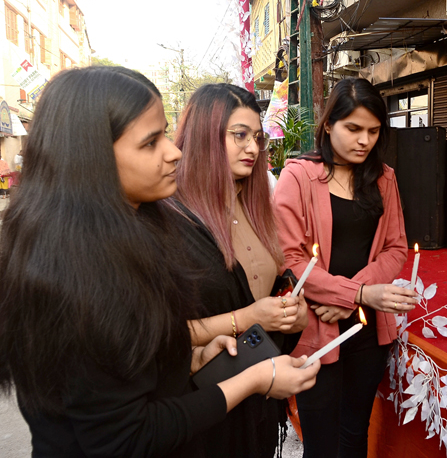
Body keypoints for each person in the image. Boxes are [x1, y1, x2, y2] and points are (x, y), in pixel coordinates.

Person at [0, 66, 319, 458]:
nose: (174, 151)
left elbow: (128, 360)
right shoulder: (78, 270)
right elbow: (126, 437)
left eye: (166, 133)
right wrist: (254, 379)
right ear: (90, 155)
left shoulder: (129, 238)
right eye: (151, 142)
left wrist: (183, 358)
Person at [274, 77, 418, 458]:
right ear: (328, 125)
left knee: (355, 436)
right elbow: (291, 258)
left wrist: (354, 299)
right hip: (315, 329)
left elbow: (395, 247)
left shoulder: (383, 178)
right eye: (353, 128)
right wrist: (357, 294)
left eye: (373, 131)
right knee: (321, 443)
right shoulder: (298, 176)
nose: (364, 141)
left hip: (367, 329)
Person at [172, 83, 311, 457]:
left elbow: (271, 291)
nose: (252, 148)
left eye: (257, 138)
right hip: (201, 406)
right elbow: (160, 335)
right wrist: (247, 317)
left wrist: (291, 314)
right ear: (204, 137)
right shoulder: (172, 218)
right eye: (239, 135)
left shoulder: (257, 208)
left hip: (258, 396)